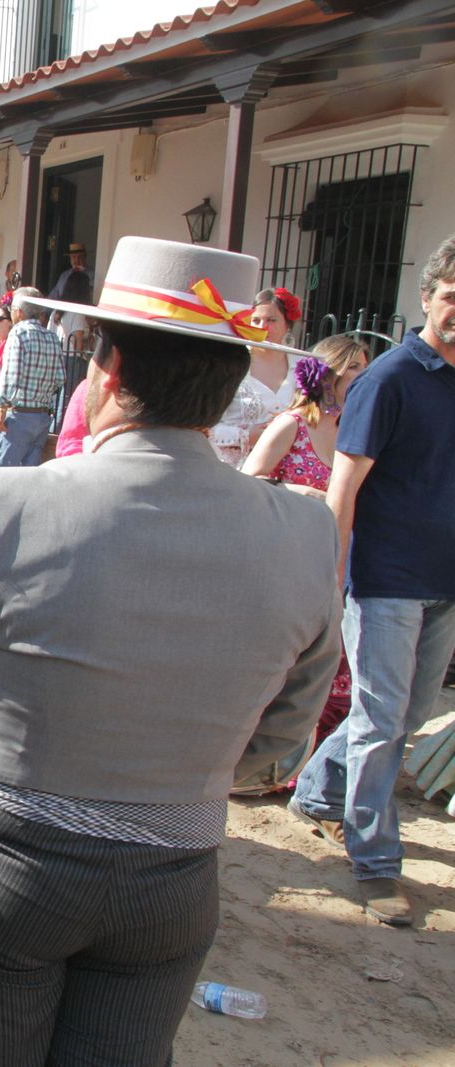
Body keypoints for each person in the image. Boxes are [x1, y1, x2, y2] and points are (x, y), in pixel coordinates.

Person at [0, 235, 340, 1065]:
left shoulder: (11, 501)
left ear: (106, 373)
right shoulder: (305, 527)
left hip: (5, 870)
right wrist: (178, 778)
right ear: (224, 392)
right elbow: (284, 735)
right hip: (177, 873)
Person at [291, 236, 455, 927]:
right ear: (427, 297)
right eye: (453, 295)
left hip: (444, 582)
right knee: (385, 718)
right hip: (385, 579)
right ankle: (375, 859)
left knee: (405, 716)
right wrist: (333, 576)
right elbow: (345, 484)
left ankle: (317, 791)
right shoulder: (390, 379)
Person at [243, 338, 370, 752]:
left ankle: (317, 755)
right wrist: (303, 492)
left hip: (340, 560)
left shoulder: (360, 429)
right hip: (289, 559)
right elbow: (249, 482)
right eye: (352, 368)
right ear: (327, 374)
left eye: (365, 367)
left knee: (333, 658)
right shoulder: (292, 424)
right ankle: (273, 754)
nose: (362, 376)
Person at [210, 286, 305, 465]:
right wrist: (246, 436)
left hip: (289, 467)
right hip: (236, 466)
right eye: (256, 320)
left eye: (271, 320)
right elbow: (203, 426)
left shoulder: (303, 366)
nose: (263, 327)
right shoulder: (229, 364)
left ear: (287, 324)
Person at [0, 286, 64, 468]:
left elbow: (11, 374)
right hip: (42, 417)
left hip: (19, 416)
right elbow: (60, 378)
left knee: (1, 473)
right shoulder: (52, 337)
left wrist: (2, 408)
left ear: (19, 312)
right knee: (28, 476)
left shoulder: (18, 333)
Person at [47, 242, 94, 348]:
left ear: (85, 257)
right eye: (73, 257)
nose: (76, 261)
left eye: (79, 257)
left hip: (83, 315)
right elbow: (54, 296)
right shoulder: (65, 276)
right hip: (64, 315)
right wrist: (45, 312)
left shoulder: (92, 275)